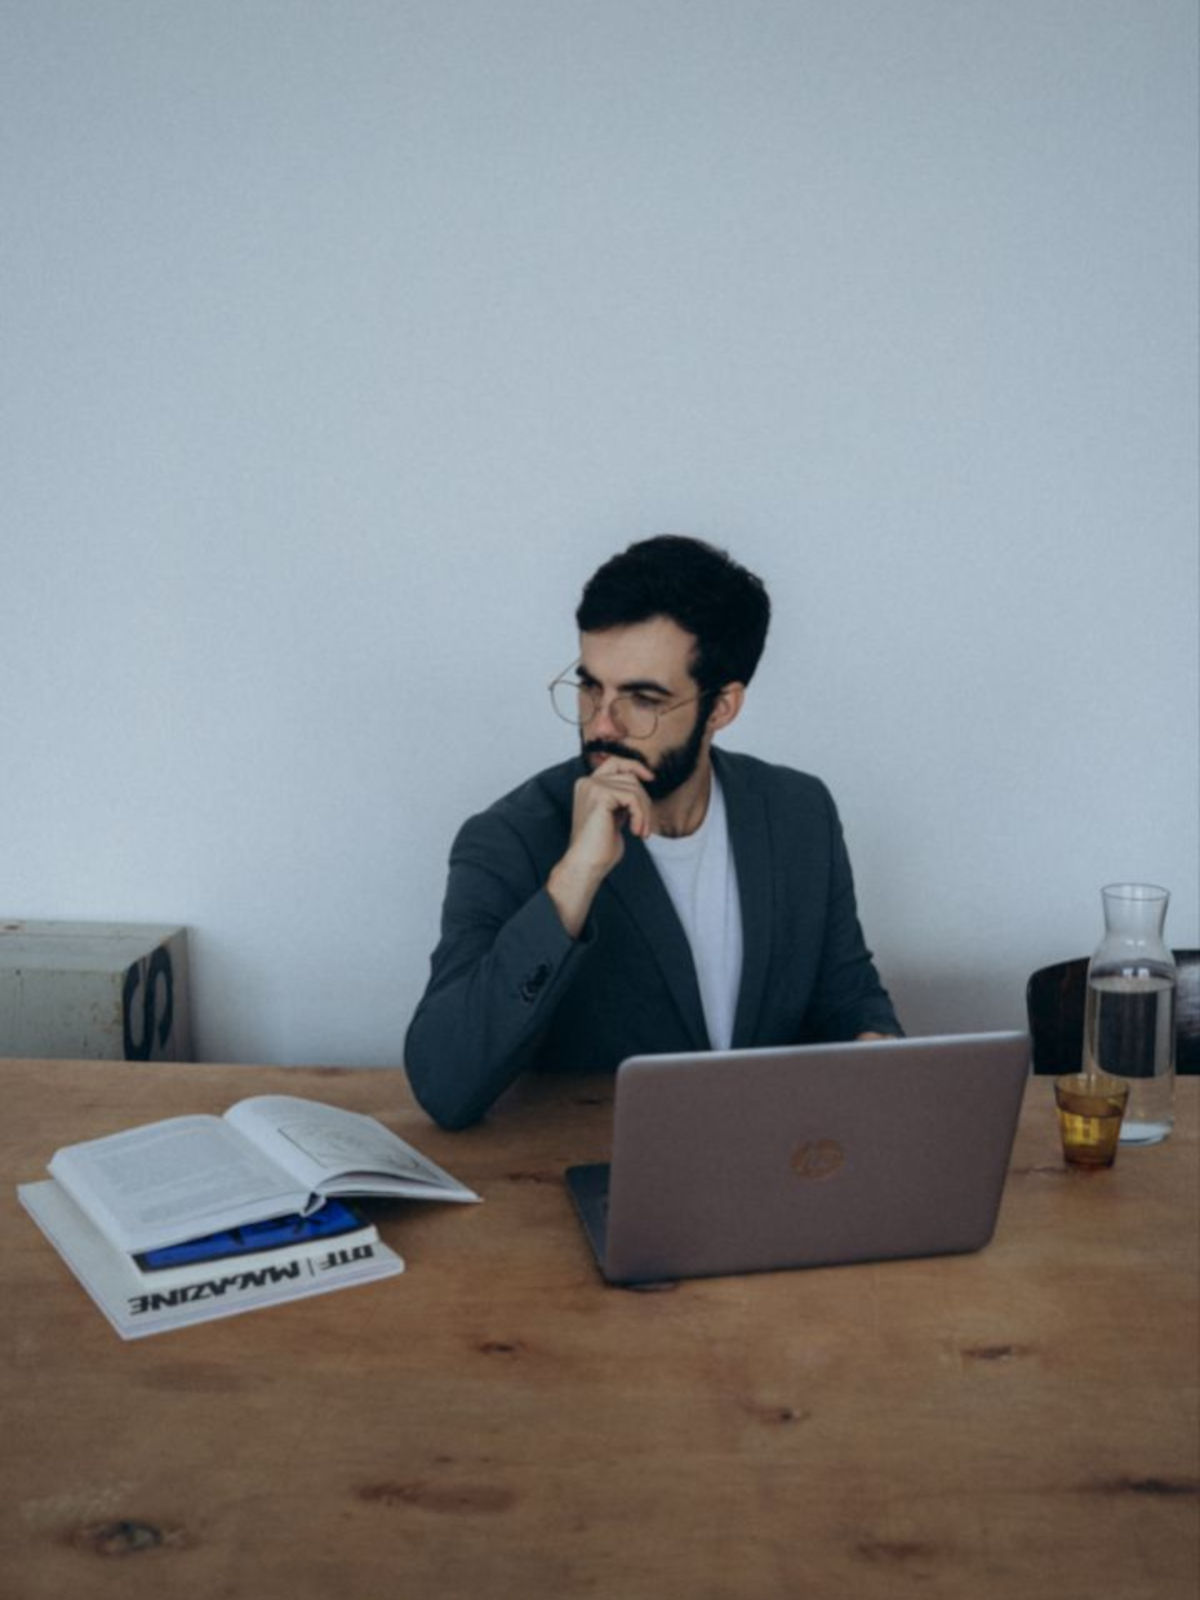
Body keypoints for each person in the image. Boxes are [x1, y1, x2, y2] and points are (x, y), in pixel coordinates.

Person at [405, 535, 901, 1128]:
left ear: (722, 707)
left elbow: (847, 996)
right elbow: (444, 1084)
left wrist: (874, 1044)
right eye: (591, 687)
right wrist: (574, 880)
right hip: (596, 1165)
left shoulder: (799, 811)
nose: (601, 724)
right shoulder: (508, 838)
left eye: (641, 698)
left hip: (771, 1157)